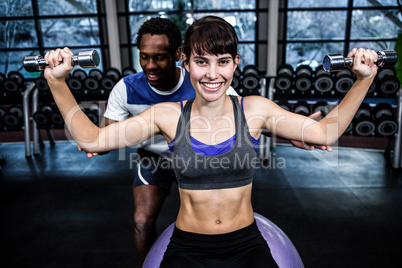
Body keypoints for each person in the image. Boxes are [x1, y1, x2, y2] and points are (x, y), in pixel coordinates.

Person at [42, 14, 374, 266]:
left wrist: (364, 79)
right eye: (201, 62)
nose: (212, 74)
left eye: (223, 62)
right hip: (187, 248)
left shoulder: (254, 109)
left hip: (247, 245)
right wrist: (57, 82)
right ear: (185, 62)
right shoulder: (168, 116)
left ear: (235, 65)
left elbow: (326, 132)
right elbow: (92, 140)